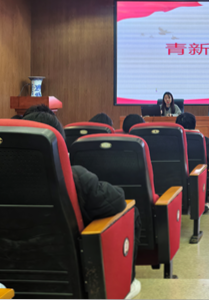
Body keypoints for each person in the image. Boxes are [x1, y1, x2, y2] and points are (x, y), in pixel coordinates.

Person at [22, 111, 142, 298]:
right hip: (65, 281)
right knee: (131, 212)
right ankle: (128, 281)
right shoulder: (75, 177)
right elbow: (118, 200)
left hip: (10, 279)